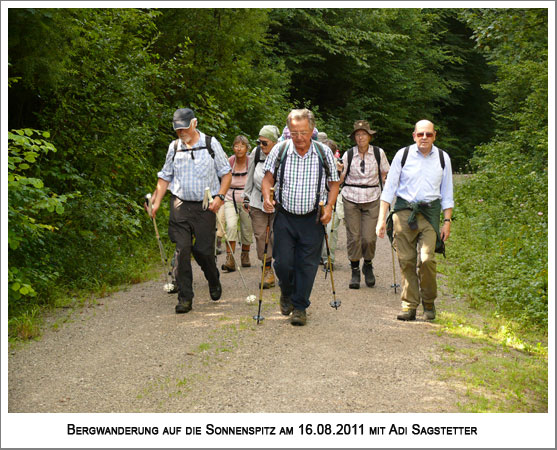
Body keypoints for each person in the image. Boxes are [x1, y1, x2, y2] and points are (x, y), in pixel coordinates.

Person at [261, 109, 340, 326]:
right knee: (283, 264)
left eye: (303, 132)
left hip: (312, 218)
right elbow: (267, 179)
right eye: (294, 132)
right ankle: (286, 292)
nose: (299, 137)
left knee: (307, 265)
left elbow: (334, 183)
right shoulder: (281, 150)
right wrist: (267, 196)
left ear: (312, 130)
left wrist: (330, 206)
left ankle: (300, 306)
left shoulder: (323, 153)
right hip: (285, 216)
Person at [150, 108, 232, 314]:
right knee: (182, 250)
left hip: (205, 206)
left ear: (194, 123)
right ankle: (185, 297)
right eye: (177, 130)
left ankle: (213, 278)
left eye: (184, 128)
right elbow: (165, 176)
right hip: (180, 205)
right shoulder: (175, 147)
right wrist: (156, 201)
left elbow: (226, 174)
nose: (181, 133)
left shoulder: (210, 144)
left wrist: (220, 197)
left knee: (204, 251)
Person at [376, 119, 454, 321]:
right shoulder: (403, 155)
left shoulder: (443, 158)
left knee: (427, 260)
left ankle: (428, 302)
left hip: (430, 214)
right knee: (406, 261)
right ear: (414, 136)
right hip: (404, 213)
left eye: (428, 134)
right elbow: (389, 189)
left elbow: (447, 193)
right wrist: (381, 219)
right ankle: (409, 305)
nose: (424, 138)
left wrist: (447, 221)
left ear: (435, 135)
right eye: (420, 134)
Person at [340, 120, 390, 289]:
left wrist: (389, 192)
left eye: (363, 134)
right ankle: (354, 270)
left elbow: (386, 173)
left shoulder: (378, 153)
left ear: (370, 136)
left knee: (369, 238)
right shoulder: (348, 154)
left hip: (372, 197)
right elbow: (340, 178)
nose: (360, 137)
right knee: (353, 237)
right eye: (357, 134)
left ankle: (367, 265)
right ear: (354, 137)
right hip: (351, 198)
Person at [243, 125, 281, 289]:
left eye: (265, 143)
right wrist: (246, 196)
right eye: (259, 142)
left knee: (276, 235)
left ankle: (281, 267)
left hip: (279, 202)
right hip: (258, 200)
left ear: (274, 142)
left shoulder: (283, 153)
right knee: (260, 235)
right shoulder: (256, 154)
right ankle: (267, 269)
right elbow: (250, 175)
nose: (261, 146)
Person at [221, 135, 254, 272]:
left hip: (247, 198)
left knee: (247, 228)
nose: (239, 149)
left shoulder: (250, 161)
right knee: (231, 226)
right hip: (230, 197)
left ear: (247, 148)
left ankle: (245, 254)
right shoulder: (230, 161)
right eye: (236, 146)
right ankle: (230, 259)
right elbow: (224, 178)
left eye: (242, 146)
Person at [320, 139, 345, 272]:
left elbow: (340, 183)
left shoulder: (339, 164)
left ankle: (328, 260)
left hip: (331, 201)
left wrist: (339, 171)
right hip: (316, 201)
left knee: (330, 231)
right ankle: (318, 256)